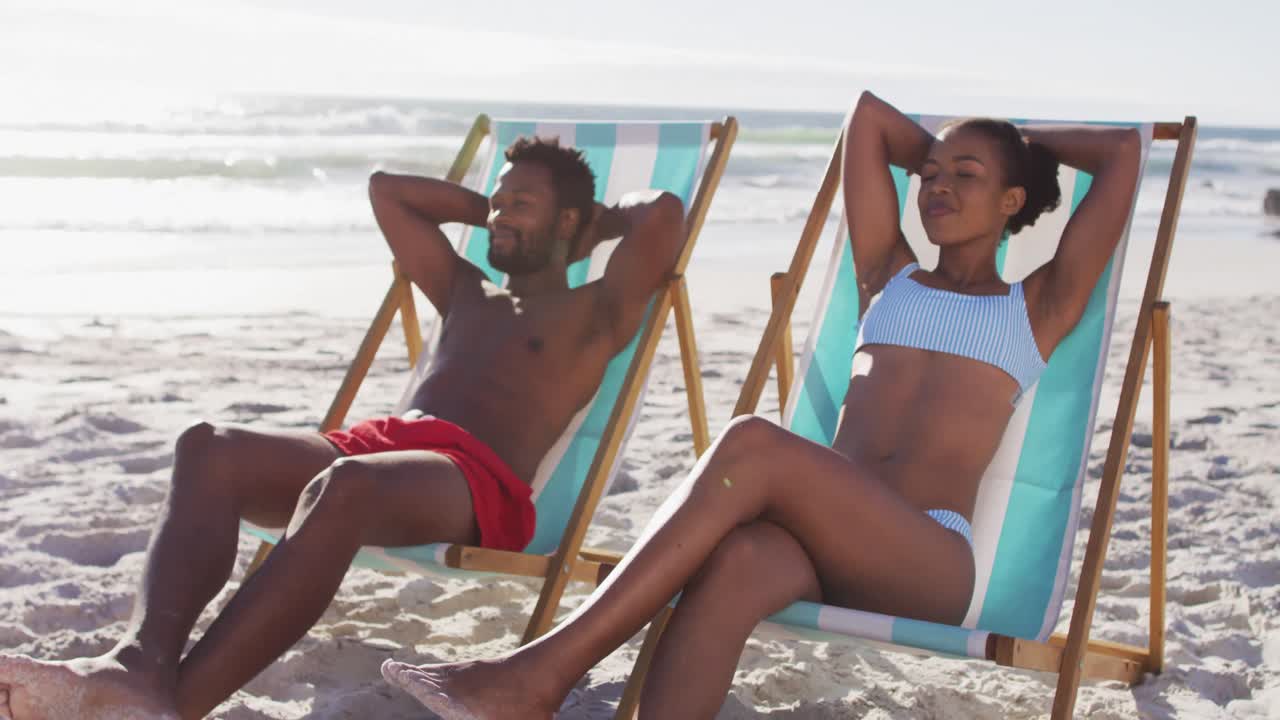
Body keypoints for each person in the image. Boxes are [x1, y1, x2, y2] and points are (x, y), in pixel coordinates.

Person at [379, 91, 1142, 720]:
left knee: (751, 442)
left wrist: (1016, 144)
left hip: (927, 559)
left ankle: (538, 674)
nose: (936, 185)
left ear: (1013, 200)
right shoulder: (888, 274)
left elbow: (1123, 157)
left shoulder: (1036, 306)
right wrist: (967, 157)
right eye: (929, 173)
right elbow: (868, 118)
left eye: (965, 175)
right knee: (737, 565)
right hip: (818, 543)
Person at [0, 137, 687, 720]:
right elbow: (388, 192)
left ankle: (172, 707)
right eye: (497, 202)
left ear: (571, 220)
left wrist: (586, 224)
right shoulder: (465, 289)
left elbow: (661, 213)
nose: (500, 215)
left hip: (475, 482)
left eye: (520, 204)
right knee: (208, 446)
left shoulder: (596, 310)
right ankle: (137, 668)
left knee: (346, 484)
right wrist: (500, 211)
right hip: (380, 446)